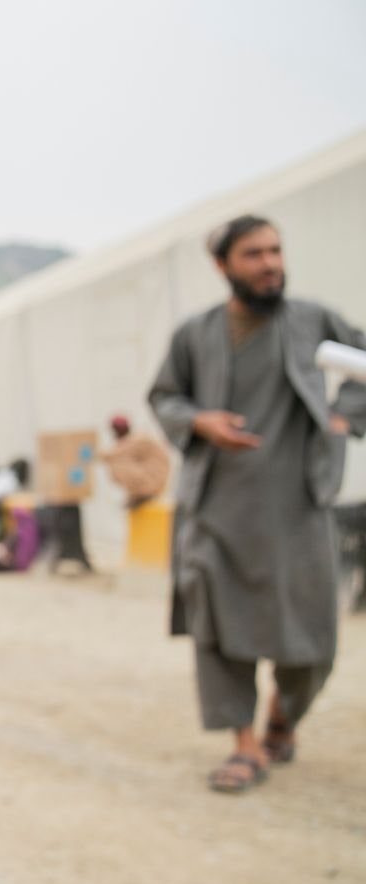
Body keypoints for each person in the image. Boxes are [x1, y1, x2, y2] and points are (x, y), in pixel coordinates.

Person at [147, 214, 366, 793]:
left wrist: (344, 418)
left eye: (275, 250)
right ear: (222, 265)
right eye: (253, 254)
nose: (270, 263)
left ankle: (281, 717)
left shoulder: (313, 319)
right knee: (217, 631)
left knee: (311, 640)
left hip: (299, 510)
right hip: (215, 512)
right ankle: (244, 744)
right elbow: (164, 396)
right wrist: (200, 420)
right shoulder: (195, 334)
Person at [99, 414, 170, 510]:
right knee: (117, 462)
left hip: (154, 481)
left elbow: (115, 453)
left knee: (118, 464)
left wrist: (95, 452)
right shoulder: (131, 441)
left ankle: (141, 494)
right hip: (153, 478)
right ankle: (137, 494)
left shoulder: (138, 439)